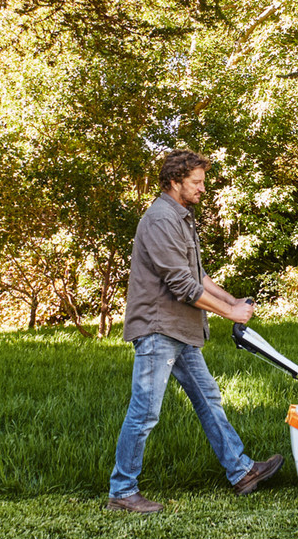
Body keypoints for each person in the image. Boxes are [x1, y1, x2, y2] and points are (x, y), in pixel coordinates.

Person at [107, 149, 283, 513]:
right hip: (159, 329)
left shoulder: (180, 218)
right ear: (175, 182)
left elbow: (198, 276)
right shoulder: (159, 219)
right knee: (144, 413)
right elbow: (182, 286)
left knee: (208, 399)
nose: (204, 188)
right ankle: (122, 492)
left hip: (180, 330)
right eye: (197, 182)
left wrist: (233, 301)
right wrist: (229, 312)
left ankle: (241, 471)